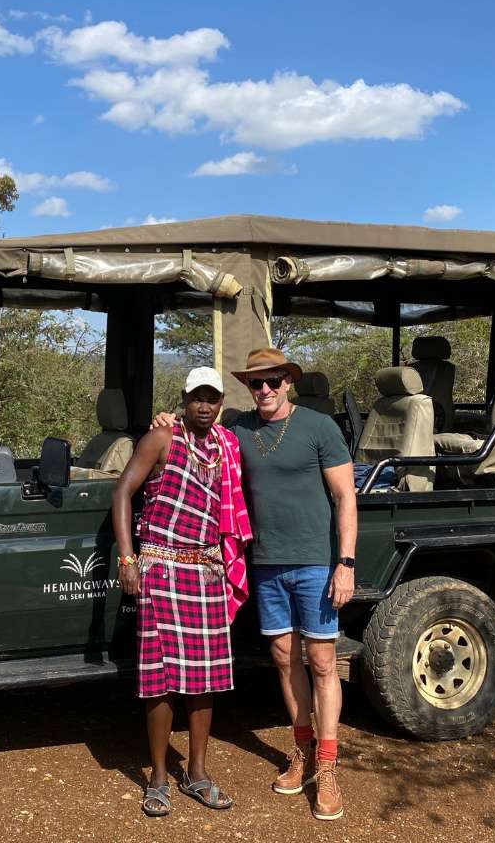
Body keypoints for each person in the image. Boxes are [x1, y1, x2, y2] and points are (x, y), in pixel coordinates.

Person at [153, 347, 357, 821]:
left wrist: (344, 563)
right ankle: (301, 751)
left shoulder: (318, 427)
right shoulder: (239, 428)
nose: (264, 390)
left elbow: (345, 496)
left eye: (273, 382)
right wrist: (161, 419)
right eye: (255, 383)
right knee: (285, 661)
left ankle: (327, 767)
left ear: (289, 382)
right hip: (264, 562)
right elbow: (192, 430)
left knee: (323, 661)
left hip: (315, 561)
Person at [112, 366, 251, 818]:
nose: (205, 406)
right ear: (185, 400)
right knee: (160, 681)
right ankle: (157, 776)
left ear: (221, 403)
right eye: (197, 398)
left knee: (205, 679)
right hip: (161, 568)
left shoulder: (227, 447)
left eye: (213, 398)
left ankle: (197, 772)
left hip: (206, 570)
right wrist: (129, 559)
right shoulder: (163, 438)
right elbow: (123, 494)